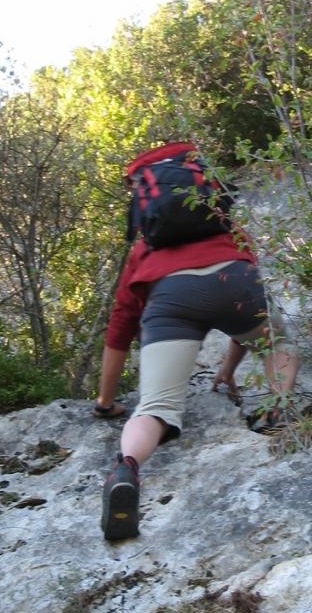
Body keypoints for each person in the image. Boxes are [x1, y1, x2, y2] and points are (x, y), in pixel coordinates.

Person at [93, 140, 298, 541]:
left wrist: (105, 403)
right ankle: (277, 411)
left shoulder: (144, 250)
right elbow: (245, 314)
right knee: (279, 343)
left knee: (155, 408)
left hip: (171, 301)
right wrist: (228, 367)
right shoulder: (229, 230)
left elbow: (120, 326)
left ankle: (126, 469)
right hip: (235, 283)